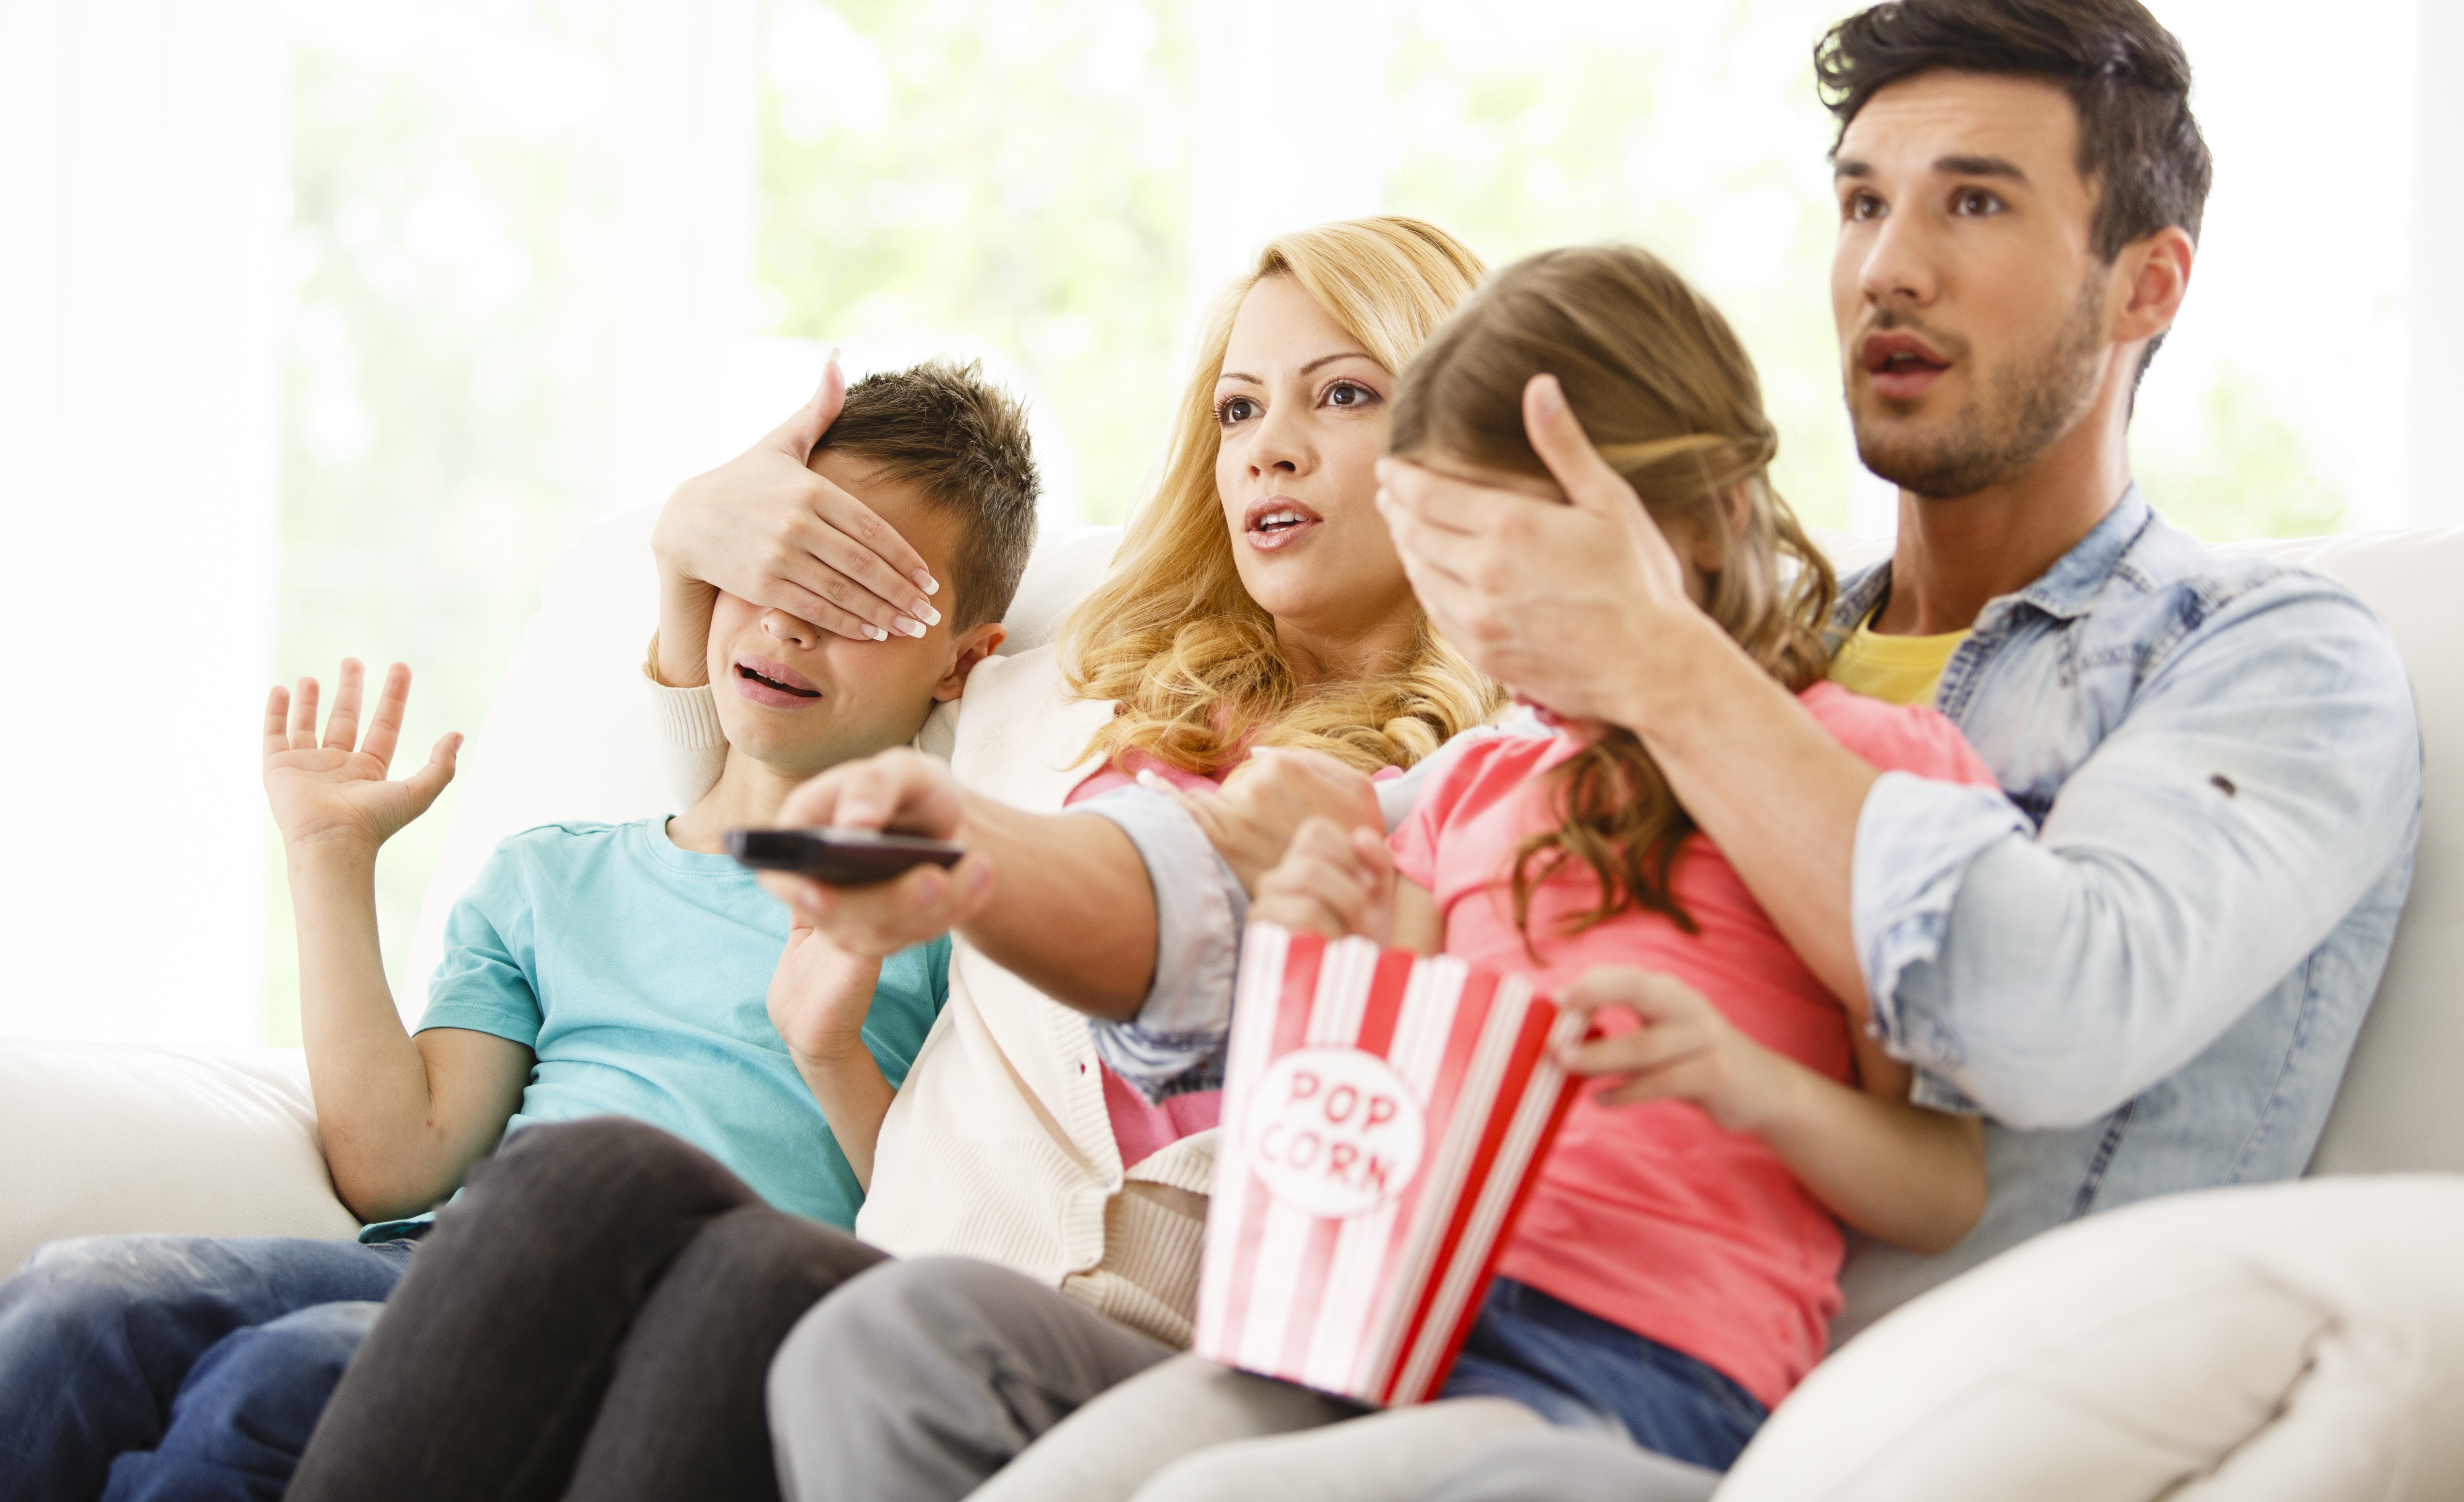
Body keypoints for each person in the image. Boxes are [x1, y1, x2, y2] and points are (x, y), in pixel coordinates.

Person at [734, 0, 2420, 1502]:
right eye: (1860, 203)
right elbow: (1231, 917)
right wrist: (967, 858)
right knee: (899, 1358)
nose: (1889, 265)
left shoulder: (2265, 660)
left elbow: (2044, 1008)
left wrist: (1666, 665)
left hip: (1785, 1412)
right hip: (1424, 1326)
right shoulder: (1616, 701)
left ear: (2147, 286)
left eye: (1973, 204)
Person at [758, 243, 2012, 1502]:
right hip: (1373, 1333)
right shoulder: (1472, 789)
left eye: (1534, 547)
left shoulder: (1867, 774)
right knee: (933, 1393)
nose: (1493, 611)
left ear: (1710, 514)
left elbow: (1943, 1185)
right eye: (1458, 555)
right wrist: (1341, 947)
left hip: (1632, 1380)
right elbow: (1373, 1095)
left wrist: (1750, 1085)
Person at [282, 216, 1502, 1502]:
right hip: (916, 1265)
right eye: (1240, 410)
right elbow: (761, 759)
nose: (1272, 450)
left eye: (1345, 394)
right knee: (595, 1181)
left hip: (1147, 1331)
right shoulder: (1060, 697)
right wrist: (686, 548)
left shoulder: (1465, 793)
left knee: (727, 1264)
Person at [0, 360, 1034, 1502]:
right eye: (774, 568)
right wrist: (328, 861)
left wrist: (829, 1048)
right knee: (75, 1307)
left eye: (854, 600)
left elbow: (952, 1222)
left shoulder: (948, 916)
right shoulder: (553, 878)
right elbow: (401, 1158)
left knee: (276, 1382)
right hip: (436, 1266)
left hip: (643, 1331)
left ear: (963, 663)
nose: (790, 622)